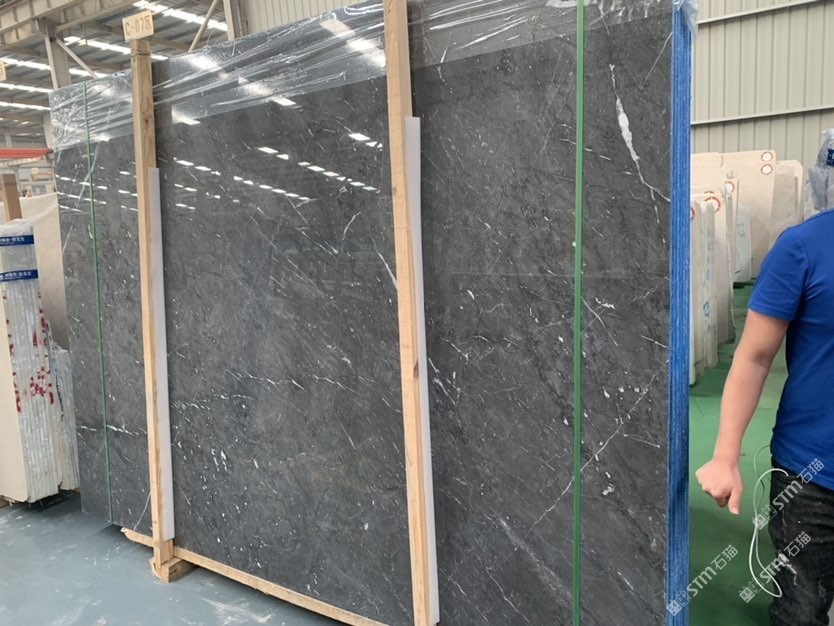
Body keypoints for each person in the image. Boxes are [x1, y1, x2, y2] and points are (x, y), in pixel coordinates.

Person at [696, 208, 834, 626]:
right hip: (811, 476)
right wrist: (725, 456)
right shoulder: (803, 248)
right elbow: (754, 358)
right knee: (801, 610)